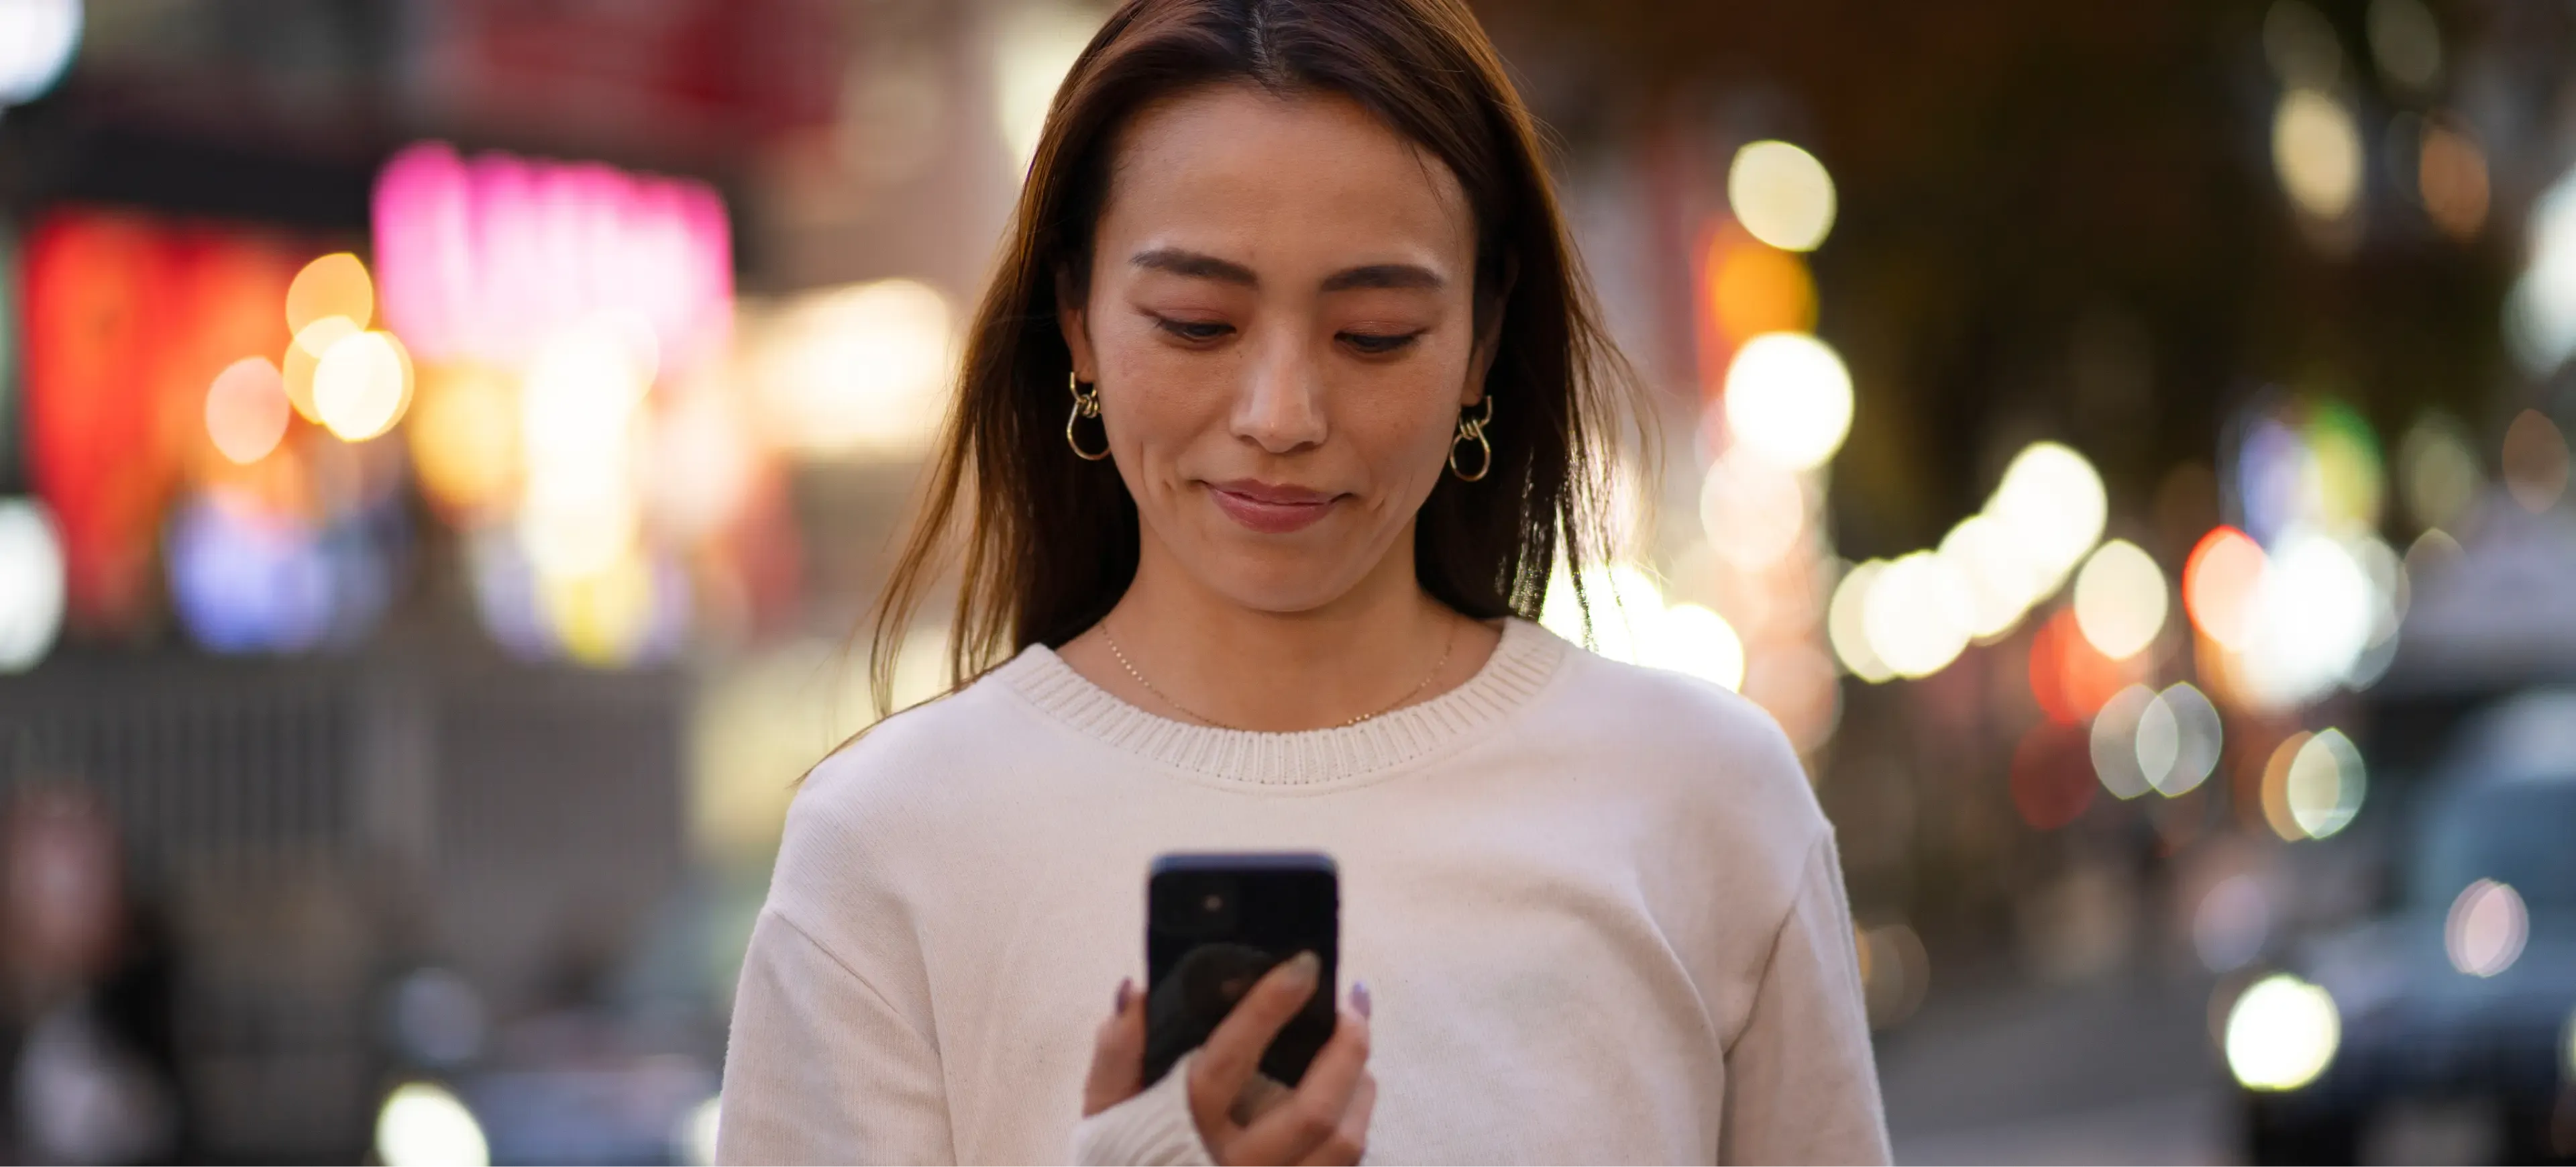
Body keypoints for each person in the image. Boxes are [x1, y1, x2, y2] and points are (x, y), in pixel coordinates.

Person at [714, 0, 1892, 1163]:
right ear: (1075, 317)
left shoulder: (1705, 800)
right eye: (1195, 323)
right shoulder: (891, 847)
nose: (1281, 415)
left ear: (1485, 336)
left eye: (1374, 333)